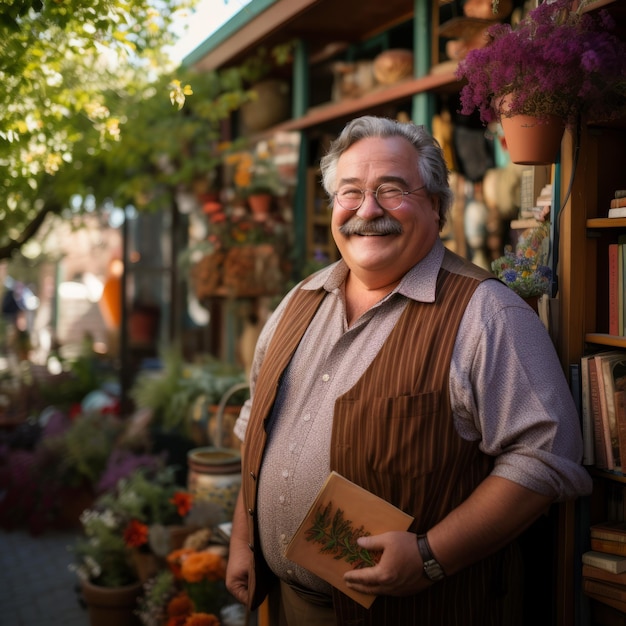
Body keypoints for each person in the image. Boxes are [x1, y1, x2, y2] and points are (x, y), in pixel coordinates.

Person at [225, 115, 592, 625]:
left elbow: (547, 456)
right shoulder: (298, 301)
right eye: (349, 192)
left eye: (391, 190)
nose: (367, 210)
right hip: (286, 604)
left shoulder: (486, 313)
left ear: (437, 206)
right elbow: (256, 429)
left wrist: (429, 557)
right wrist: (244, 540)